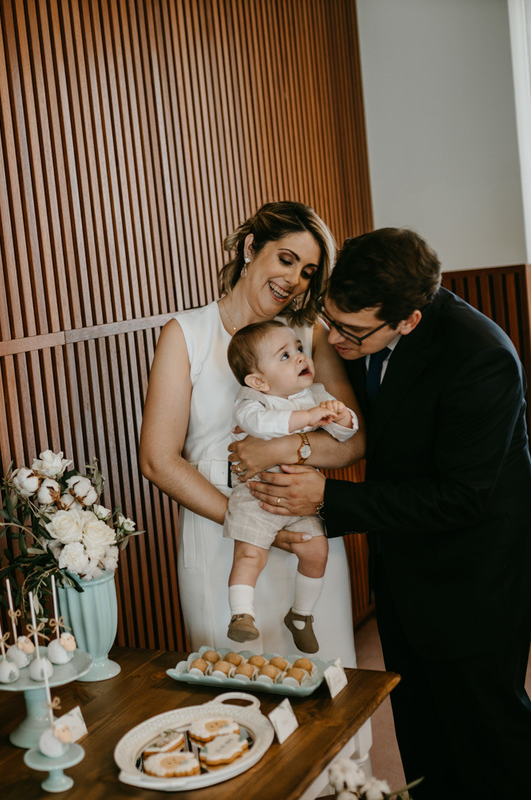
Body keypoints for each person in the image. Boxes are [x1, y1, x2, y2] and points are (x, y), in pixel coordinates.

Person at [248, 228, 531, 798]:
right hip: (405, 564)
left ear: (408, 320)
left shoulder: (481, 357)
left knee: (488, 736)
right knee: (421, 729)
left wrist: (326, 499)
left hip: (478, 576)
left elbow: (459, 497)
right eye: (330, 320)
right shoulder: (351, 331)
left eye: (352, 331)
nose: (332, 338)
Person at [139, 201, 365, 662]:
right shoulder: (187, 333)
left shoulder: (308, 333)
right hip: (220, 530)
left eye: (308, 271)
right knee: (238, 683)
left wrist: (288, 446)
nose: (294, 280)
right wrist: (246, 524)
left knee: (320, 677)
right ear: (249, 249)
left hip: (302, 521)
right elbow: (158, 460)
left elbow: (355, 441)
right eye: (286, 259)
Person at [223, 320, 359, 653]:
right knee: (250, 554)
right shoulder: (252, 402)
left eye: (299, 348)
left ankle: (301, 615)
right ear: (259, 380)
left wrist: (342, 417)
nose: (300, 357)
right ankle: (242, 613)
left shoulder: (316, 396)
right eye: (285, 355)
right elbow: (263, 426)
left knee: (316, 550)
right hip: (258, 495)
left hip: (301, 497)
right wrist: (309, 419)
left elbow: (346, 435)